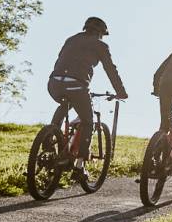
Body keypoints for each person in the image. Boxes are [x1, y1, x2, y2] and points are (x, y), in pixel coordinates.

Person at [48, 16, 128, 181]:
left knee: (65, 103)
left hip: (54, 84)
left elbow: (61, 58)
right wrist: (120, 91)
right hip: (77, 86)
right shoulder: (100, 45)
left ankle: (51, 136)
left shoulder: (71, 39)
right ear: (100, 33)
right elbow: (110, 69)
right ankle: (79, 166)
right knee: (88, 121)